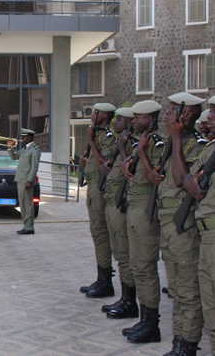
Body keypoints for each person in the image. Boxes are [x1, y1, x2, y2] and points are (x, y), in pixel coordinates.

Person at [156, 93, 207, 356]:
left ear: (186, 115)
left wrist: (175, 138)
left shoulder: (195, 144)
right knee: (176, 287)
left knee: (188, 289)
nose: (167, 113)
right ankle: (179, 341)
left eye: (173, 109)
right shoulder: (175, 142)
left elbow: (180, 179)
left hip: (183, 224)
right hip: (168, 222)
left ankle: (187, 344)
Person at [119, 100, 167, 344]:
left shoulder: (158, 145)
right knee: (137, 264)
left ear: (149, 119)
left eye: (137, 117)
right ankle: (144, 317)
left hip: (147, 210)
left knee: (146, 266)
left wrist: (139, 154)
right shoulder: (141, 143)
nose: (133, 121)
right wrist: (128, 159)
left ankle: (152, 325)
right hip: (134, 207)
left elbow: (154, 177)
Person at [98, 107, 139, 319]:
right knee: (118, 251)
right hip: (111, 199)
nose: (115, 122)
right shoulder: (120, 143)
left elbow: (127, 170)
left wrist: (122, 146)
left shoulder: (133, 145)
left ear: (130, 123)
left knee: (124, 253)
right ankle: (125, 298)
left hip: (122, 203)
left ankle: (130, 302)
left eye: (120, 119)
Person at [182, 105, 215, 356]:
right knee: (210, 304)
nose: (209, 117)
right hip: (206, 235)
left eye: (214, 112)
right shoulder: (211, 150)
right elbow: (188, 180)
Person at [79, 103, 117, 298]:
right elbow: (94, 161)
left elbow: (105, 166)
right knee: (97, 233)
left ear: (106, 115)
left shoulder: (107, 137)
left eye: (96, 112)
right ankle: (101, 278)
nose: (93, 114)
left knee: (101, 233)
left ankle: (105, 282)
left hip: (100, 189)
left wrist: (91, 141)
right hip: (93, 187)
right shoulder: (97, 135)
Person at [7, 128, 41, 235]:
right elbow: (14, 157)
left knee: (27, 204)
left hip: (26, 180)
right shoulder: (26, 149)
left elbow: (34, 168)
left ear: (30, 137)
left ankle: (29, 227)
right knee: (22, 204)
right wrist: (10, 147)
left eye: (24, 137)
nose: (22, 139)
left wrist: (30, 181)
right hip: (21, 179)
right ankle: (26, 226)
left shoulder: (34, 150)